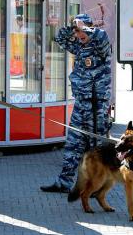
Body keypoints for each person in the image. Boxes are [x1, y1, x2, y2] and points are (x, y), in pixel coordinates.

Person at [40, 14, 111, 193]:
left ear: (89, 28)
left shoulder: (100, 45)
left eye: (82, 30)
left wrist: (85, 27)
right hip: (81, 104)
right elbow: (59, 38)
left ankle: (98, 187)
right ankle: (64, 182)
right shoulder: (79, 47)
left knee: (97, 148)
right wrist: (73, 27)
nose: (79, 34)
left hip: (96, 105)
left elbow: (101, 35)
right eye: (77, 30)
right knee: (73, 144)